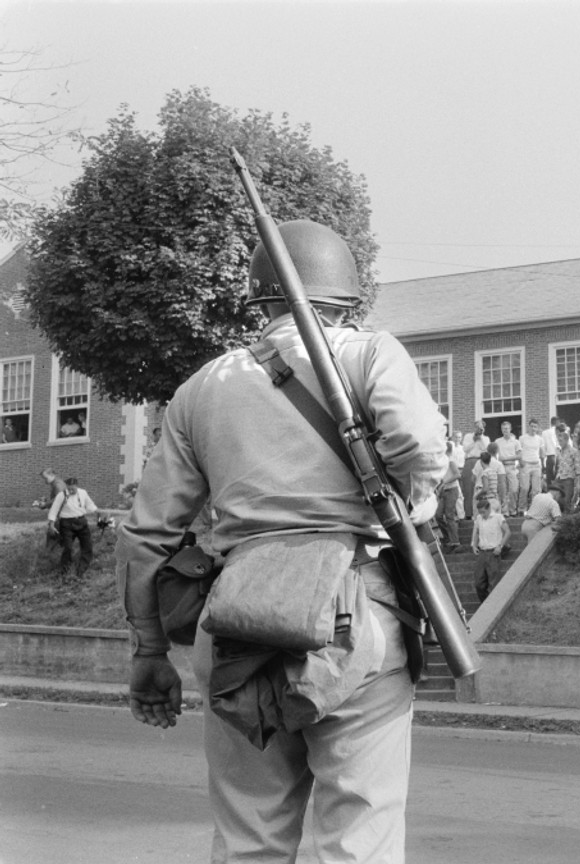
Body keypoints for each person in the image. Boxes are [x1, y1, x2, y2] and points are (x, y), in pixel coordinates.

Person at [116, 219, 448, 863]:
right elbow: (418, 445)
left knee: (249, 840)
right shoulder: (370, 352)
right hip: (355, 611)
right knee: (357, 838)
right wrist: (408, 497)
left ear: (259, 301)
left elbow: (146, 537)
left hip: (237, 614)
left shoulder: (201, 387)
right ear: (347, 300)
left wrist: (148, 650)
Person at [48, 476, 99, 577]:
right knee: (68, 547)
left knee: (87, 546)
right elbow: (53, 510)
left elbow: (90, 505)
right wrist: (51, 524)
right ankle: (65, 570)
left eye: (73, 488)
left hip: (81, 522)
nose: (71, 490)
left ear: (76, 486)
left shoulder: (83, 493)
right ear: (66, 487)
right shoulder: (61, 495)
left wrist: (98, 514)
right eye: (69, 488)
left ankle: (82, 570)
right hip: (67, 524)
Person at [471, 496, 510, 603]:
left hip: (493, 553)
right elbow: (477, 532)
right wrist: (474, 545)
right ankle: (484, 603)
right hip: (482, 552)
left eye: (483, 512)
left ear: (489, 509)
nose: (482, 514)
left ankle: (492, 606)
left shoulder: (498, 517)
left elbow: (507, 532)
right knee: (478, 583)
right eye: (480, 512)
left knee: (493, 582)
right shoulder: (479, 518)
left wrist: (500, 546)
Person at [461, 420, 490, 518]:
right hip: (470, 460)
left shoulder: (486, 438)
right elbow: (465, 449)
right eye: (477, 427)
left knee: (480, 487)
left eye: (481, 428)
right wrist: (474, 440)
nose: (479, 429)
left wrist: (480, 439)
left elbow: (486, 450)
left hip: (481, 461)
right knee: (468, 488)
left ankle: (481, 513)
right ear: (474, 427)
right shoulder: (468, 436)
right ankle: (468, 514)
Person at [517, 419, 545, 513]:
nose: (533, 428)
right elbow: (518, 451)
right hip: (525, 464)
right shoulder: (522, 438)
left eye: (535, 427)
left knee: (536, 489)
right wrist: (520, 461)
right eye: (531, 426)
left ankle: (534, 509)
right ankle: (522, 509)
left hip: (536, 465)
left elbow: (542, 453)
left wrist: (543, 465)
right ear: (528, 427)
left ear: (537, 428)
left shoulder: (540, 439)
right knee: (524, 488)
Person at [494, 421, 521, 516]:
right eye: (503, 428)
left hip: (512, 466)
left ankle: (513, 510)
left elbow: (519, 456)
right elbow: (493, 454)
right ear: (501, 430)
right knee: (503, 490)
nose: (505, 430)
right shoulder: (497, 441)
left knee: (514, 489)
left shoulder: (516, 442)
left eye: (507, 428)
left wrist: (506, 458)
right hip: (501, 467)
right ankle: (505, 512)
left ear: (510, 429)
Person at [551, 425, 579, 511]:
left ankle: (567, 520)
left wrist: (578, 482)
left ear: (567, 440)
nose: (559, 442)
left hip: (569, 479)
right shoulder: (559, 452)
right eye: (558, 441)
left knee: (567, 500)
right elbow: (558, 466)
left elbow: (578, 468)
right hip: (559, 478)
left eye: (561, 440)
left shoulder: (573, 451)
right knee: (553, 498)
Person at [541, 416, 561, 489]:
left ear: (551, 423)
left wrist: (543, 460)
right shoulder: (559, 432)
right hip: (558, 455)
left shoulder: (544, 433)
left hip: (549, 456)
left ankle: (550, 492)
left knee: (549, 477)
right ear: (557, 423)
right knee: (558, 476)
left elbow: (543, 447)